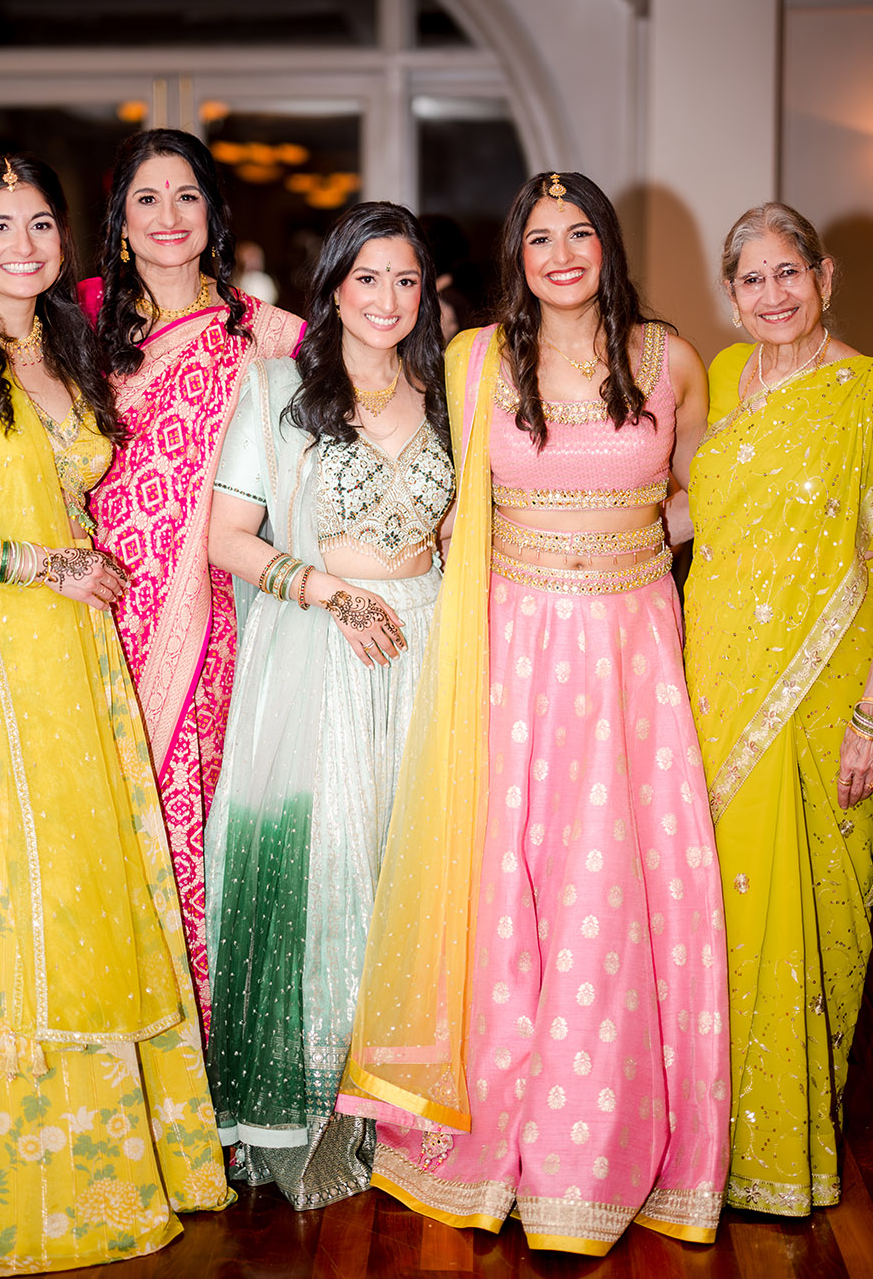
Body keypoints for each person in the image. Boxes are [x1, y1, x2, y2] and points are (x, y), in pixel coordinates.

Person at [340, 172, 731, 1255]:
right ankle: (491, 1136)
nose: (561, 254)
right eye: (540, 238)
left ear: (607, 245)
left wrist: (634, 533)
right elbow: (388, 424)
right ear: (515, 254)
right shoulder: (472, 362)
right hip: (509, 652)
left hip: (629, 656)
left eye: (580, 235)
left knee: (610, 890)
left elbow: (711, 492)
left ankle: (593, 1151)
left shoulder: (668, 358)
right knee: (504, 888)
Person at [0, 153, 230, 1276]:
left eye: (40, 225)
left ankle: (87, 1160)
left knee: (75, 894)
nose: (23, 244)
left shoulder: (60, 351)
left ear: (64, 246)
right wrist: (30, 559)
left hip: (73, 665)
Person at [203, 201, 454, 1209]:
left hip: (429, 648)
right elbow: (228, 538)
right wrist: (329, 592)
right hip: (315, 651)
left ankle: (402, 1110)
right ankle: (306, 1111)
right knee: (322, 868)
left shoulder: (451, 397)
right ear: (333, 287)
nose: (386, 300)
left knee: (416, 872)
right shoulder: (276, 391)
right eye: (366, 279)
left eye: (404, 280)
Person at [85, 129, 303, 1031]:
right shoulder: (81, 330)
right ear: (122, 221)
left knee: (193, 820)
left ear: (213, 212)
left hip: (213, 617)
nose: (168, 217)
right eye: (147, 198)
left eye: (186, 196)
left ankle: (199, 1050)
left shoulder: (269, 336)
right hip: (94, 608)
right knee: (99, 821)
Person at [683, 202, 873, 1216]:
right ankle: (711, 1137)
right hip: (711, 678)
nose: (771, 295)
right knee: (713, 908)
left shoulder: (865, 395)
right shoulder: (720, 378)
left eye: (787, 273)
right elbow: (692, 513)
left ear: (824, 276)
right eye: (750, 279)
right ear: (731, 293)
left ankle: (788, 1145)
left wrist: (870, 720)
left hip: (824, 697)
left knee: (817, 909)